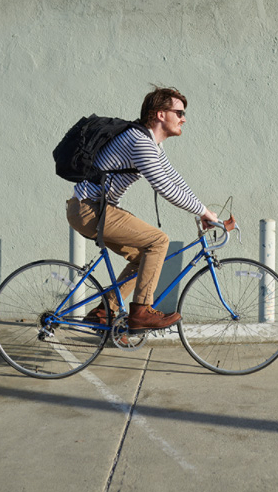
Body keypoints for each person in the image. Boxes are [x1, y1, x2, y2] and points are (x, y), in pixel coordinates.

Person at [66, 86, 218, 332]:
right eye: (179, 112)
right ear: (160, 114)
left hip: (93, 209)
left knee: (144, 261)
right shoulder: (140, 142)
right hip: (89, 209)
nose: (184, 118)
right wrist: (202, 212)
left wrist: (205, 211)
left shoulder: (151, 144)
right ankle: (142, 313)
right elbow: (165, 188)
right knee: (159, 242)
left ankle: (104, 311)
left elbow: (174, 180)